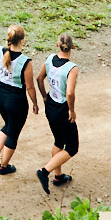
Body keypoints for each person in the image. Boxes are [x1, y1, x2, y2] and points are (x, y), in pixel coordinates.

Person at [0, 25, 33, 175]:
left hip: (0, 94)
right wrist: (36, 103)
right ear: (22, 41)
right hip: (16, 99)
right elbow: (30, 87)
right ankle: (4, 166)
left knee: (9, 124)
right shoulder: (25, 61)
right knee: (13, 132)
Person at [37, 34, 80, 195]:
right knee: (72, 147)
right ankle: (45, 171)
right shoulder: (72, 68)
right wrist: (72, 110)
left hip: (50, 105)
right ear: (72, 47)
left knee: (58, 140)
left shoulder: (49, 59)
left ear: (57, 45)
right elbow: (69, 92)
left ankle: (59, 176)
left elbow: (39, 78)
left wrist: (44, 96)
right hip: (62, 109)